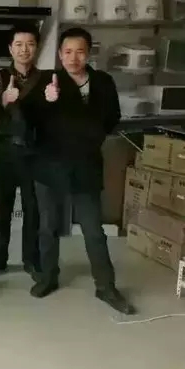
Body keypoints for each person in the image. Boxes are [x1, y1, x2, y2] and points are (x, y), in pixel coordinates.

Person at [28, 27, 135, 315]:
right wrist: (47, 102)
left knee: (93, 230)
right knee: (48, 227)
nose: (73, 58)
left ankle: (106, 286)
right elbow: (31, 118)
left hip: (86, 164)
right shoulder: (47, 81)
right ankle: (48, 277)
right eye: (67, 52)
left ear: (89, 53)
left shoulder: (102, 82)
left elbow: (112, 117)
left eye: (80, 52)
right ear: (60, 54)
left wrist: (88, 132)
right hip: (49, 165)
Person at [0, 24, 42, 278]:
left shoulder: (46, 80)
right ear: (10, 48)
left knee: (33, 210)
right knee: (1, 209)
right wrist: (3, 101)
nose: (24, 49)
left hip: (35, 154)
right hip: (3, 152)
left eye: (30, 44)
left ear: (36, 48)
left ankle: (32, 260)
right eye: (19, 44)